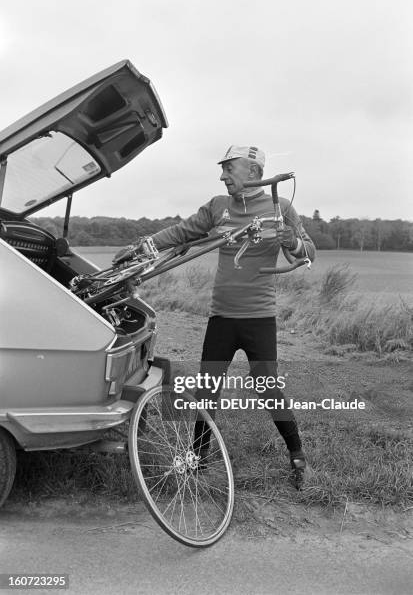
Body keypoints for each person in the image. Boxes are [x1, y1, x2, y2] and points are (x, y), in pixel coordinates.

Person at [114, 145, 316, 488]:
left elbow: (308, 252)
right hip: (221, 317)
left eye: (229, 170)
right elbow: (181, 233)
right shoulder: (218, 207)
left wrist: (293, 242)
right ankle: (198, 460)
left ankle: (298, 457)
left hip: (258, 318)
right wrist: (141, 246)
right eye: (222, 171)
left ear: (252, 172)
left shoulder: (281, 208)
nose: (222, 176)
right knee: (207, 391)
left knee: (267, 388)